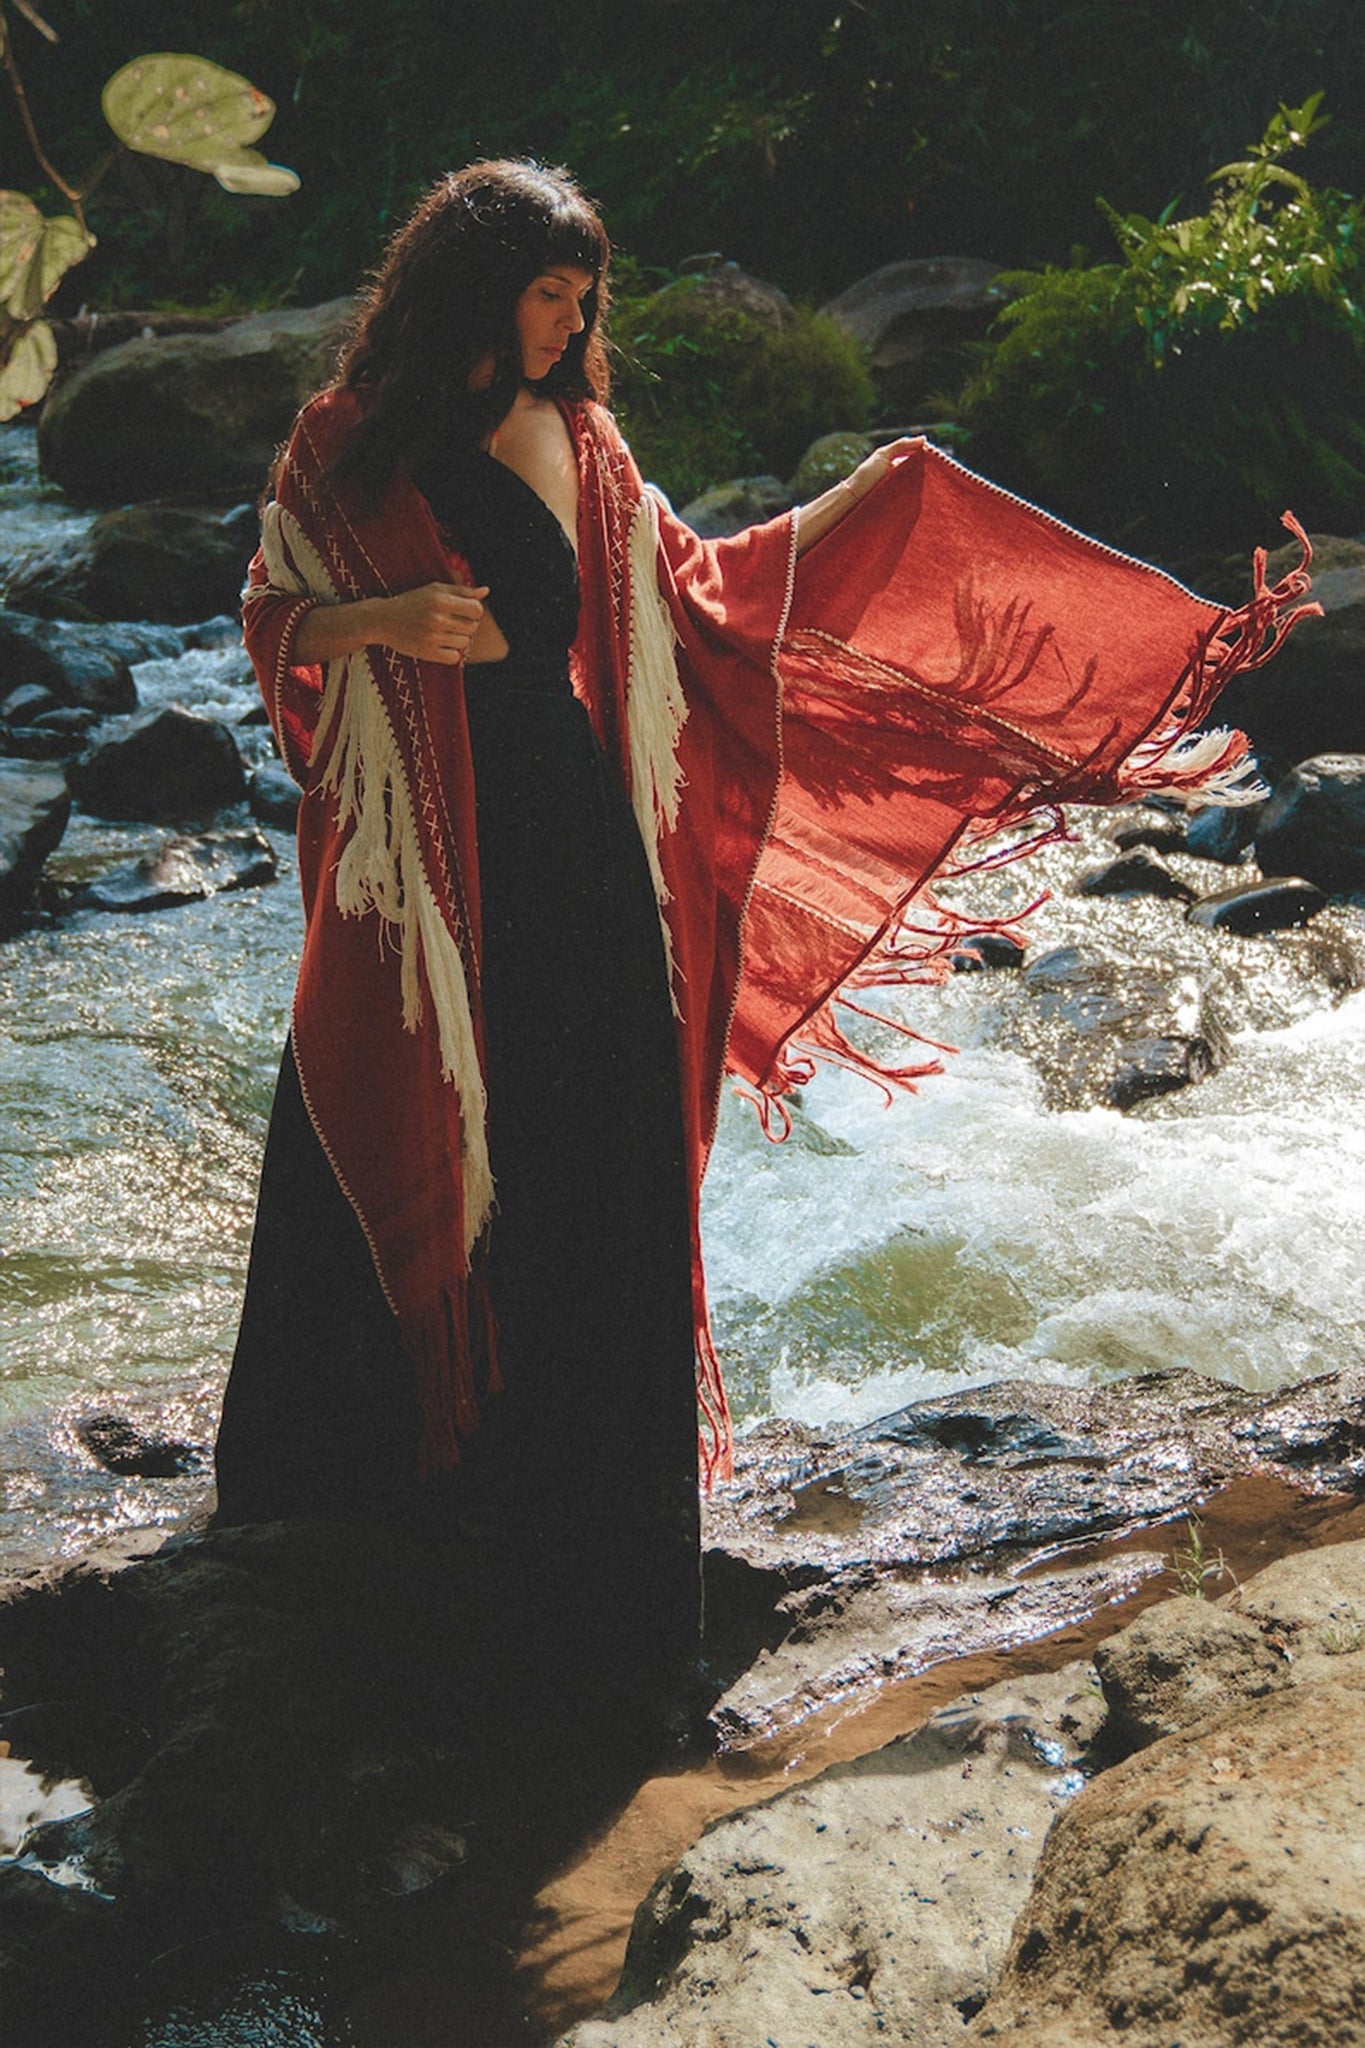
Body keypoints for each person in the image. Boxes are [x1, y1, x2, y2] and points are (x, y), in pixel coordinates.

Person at [214, 159, 1309, 1715]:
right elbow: (268, 615)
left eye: (583, 300)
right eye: (546, 293)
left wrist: (863, 517)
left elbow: (694, 599)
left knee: (586, 1170)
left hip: (574, 849)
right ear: (468, 286)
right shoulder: (342, 447)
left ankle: (575, 1543)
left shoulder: (582, 442)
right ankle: (363, 1509)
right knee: (395, 1115)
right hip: (415, 888)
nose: (569, 324)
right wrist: (378, 625)